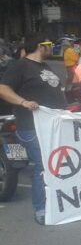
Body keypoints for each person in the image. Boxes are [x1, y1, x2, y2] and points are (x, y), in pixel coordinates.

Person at [0, 35, 67, 225]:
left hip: (52, 125)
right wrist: (23, 102)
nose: (52, 47)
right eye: (49, 44)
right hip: (31, 126)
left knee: (56, 164)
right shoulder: (19, 66)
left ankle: (58, 203)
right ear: (40, 46)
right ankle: (41, 209)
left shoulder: (44, 67)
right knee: (43, 165)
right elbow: (3, 89)